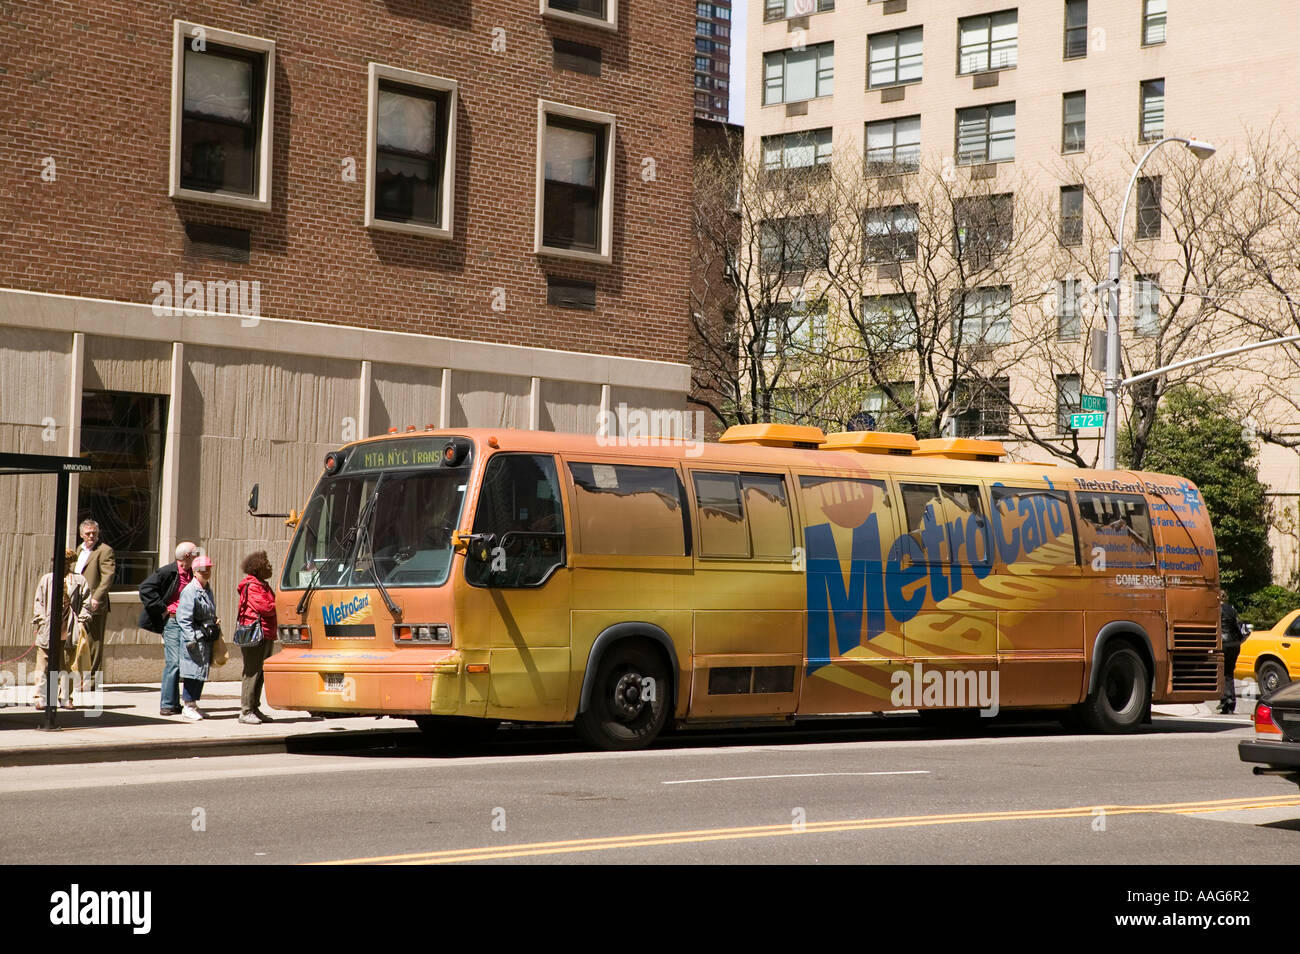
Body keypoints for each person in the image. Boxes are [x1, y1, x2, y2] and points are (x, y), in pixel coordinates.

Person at [138, 542, 198, 716]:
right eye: (195, 553)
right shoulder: (168, 571)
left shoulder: (192, 573)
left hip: (187, 622)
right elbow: (145, 588)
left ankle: (175, 703)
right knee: (174, 663)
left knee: (185, 663)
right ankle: (166, 704)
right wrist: (163, 609)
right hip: (172, 623)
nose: (196, 556)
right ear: (187, 556)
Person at [32, 550, 93, 709]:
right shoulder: (47, 579)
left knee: (67, 664)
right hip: (49, 627)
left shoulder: (79, 580)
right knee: (43, 664)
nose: (62, 565)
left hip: (69, 627)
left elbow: (87, 603)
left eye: (65, 562)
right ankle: (41, 697)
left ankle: (65, 697)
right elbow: (39, 602)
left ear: (70, 563)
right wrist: (41, 620)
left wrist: (81, 621)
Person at [235, 551, 278, 724]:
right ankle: (245, 711)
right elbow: (266, 608)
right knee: (252, 672)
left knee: (261, 673)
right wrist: (280, 603)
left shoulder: (263, 585)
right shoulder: (252, 586)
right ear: (258, 568)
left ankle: (254, 707)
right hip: (255, 634)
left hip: (266, 633)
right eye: (266, 564)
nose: (270, 566)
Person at [72, 518, 115, 690]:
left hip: (94, 602)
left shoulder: (104, 550)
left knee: (94, 642)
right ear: (81, 534)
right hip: (77, 601)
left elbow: (108, 577)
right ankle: (78, 677)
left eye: (94, 533)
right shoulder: (79, 550)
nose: (91, 536)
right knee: (78, 640)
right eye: (88, 533)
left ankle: (91, 680)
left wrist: (96, 597)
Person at [176, 554, 219, 721]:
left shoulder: (207, 589)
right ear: (194, 572)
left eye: (208, 569)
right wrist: (191, 638)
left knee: (200, 672)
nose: (206, 572)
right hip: (194, 638)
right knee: (192, 672)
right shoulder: (190, 591)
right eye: (202, 570)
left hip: (204, 637)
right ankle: (188, 705)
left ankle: (193, 704)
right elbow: (183, 618)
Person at [1219, 595, 1245, 714]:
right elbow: (1237, 627)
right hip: (1234, 644)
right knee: (1229, 673)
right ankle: (1231, 701)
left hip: (1223, 643)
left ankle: (1225, 699)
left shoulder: (1217, 609)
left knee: (1222, 673)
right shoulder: (1232, 610)